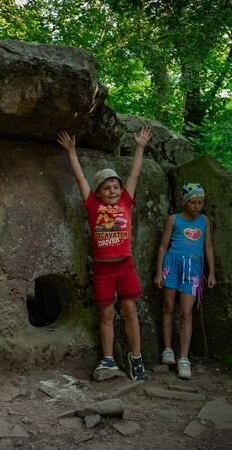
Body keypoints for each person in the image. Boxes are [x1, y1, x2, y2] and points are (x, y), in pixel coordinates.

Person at [57, 127, 153, 381]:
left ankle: (136, 357)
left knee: (130, 311)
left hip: (125, 267)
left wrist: (140, 147)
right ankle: (108, 359)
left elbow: (134, 174)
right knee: (106, 314)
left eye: (116, 187)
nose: (113, 191)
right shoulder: (92, 205)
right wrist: (71, 152)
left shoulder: (126, 203)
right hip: (104, 270)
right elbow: (80, 179)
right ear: (98, 192)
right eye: (107, 187)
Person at [154, 183, 216, 379]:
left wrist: (212, 272)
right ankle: (167, 349)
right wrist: (158, 273)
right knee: (168, 307)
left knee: (187, 313)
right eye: (193, 202)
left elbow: (208, 247)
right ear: (184, 201)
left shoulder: (204, 221)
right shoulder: (174, 220)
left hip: (193, 269)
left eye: (200, 202)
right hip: (172, 266)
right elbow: (163, 247)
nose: (197, 205)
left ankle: (184, 359)